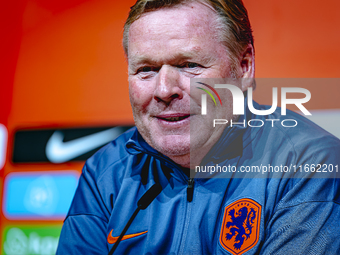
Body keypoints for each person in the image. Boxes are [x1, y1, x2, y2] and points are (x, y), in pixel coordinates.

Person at [57, 0, 340, 254]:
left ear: (244, 67)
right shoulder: (106, 172)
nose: (165, 89)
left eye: (189, 64)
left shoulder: (310, 163)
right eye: (146, 69)